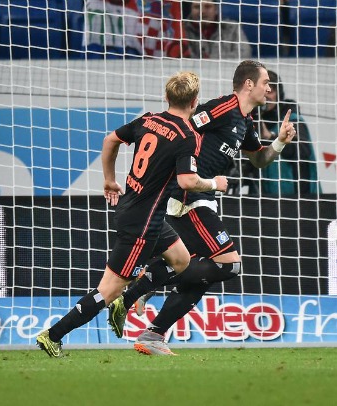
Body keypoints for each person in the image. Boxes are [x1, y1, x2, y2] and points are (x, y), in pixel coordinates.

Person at [108, 60, 297, 355]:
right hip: (188, 197)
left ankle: (153, 332)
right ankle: (141, 287)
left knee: (205, 271)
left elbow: (259, 159)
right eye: (265, 83)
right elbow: (183, 128)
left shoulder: (245, 122)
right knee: (229, 264)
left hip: (203, 198)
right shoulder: (223, 108)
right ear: (249, 84)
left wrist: (280, 142)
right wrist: (187, 175)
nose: (270, 89)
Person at [36, 71, 229, 358]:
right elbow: (188, 181)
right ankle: (53, 335)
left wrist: (109, 180)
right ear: (194, 102)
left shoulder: (149, 120)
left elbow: (110, 140)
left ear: (166, 97)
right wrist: (215, 184)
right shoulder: (188, 136)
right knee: (107, 290)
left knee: (181, 259)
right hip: (142, 224)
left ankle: (127, 300)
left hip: (142, 212)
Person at [255, 70, 320, 195]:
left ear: (278, 94)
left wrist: (271, 137)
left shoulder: (293, 119)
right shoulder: (252, 120)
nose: (266, 96)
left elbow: (303, 151)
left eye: (270, 91)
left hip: (296, 196)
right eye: (262, 92)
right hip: (263, 196)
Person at [174, 0, 251, 59]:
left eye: (207, 6)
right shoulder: (180, 29)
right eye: (197, 7)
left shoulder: (233, 27)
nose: (202, 11)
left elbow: (245, 54)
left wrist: (210, 60)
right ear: (190, 9)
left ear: (216, 9)